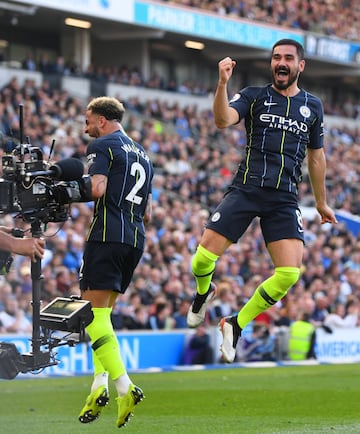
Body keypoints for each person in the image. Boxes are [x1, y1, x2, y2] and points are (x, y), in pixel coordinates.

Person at [186, 39, 337, 363]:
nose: (281, 63)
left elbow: (316, 157)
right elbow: (224, 119)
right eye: (276, 58)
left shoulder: (313, 105)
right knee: (200, 261)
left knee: (289, 273)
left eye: (288, 58)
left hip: (283, 197)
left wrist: (322, 203)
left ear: (300, 66)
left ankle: (235, 324)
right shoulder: (255, 95)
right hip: (247, 188)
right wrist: (223, 84)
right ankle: (203, 293)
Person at [78, 96, 153, 428]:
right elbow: (147, 211)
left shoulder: (104, 145)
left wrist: (64, 190)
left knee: (91, 315)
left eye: (88, 120)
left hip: (107, 235)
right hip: (134, 239)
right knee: (102, 317)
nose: (86, 127)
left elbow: (96, 188)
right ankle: (98, 385)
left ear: (103, 121)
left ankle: (124, 385)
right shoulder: (144, 155)